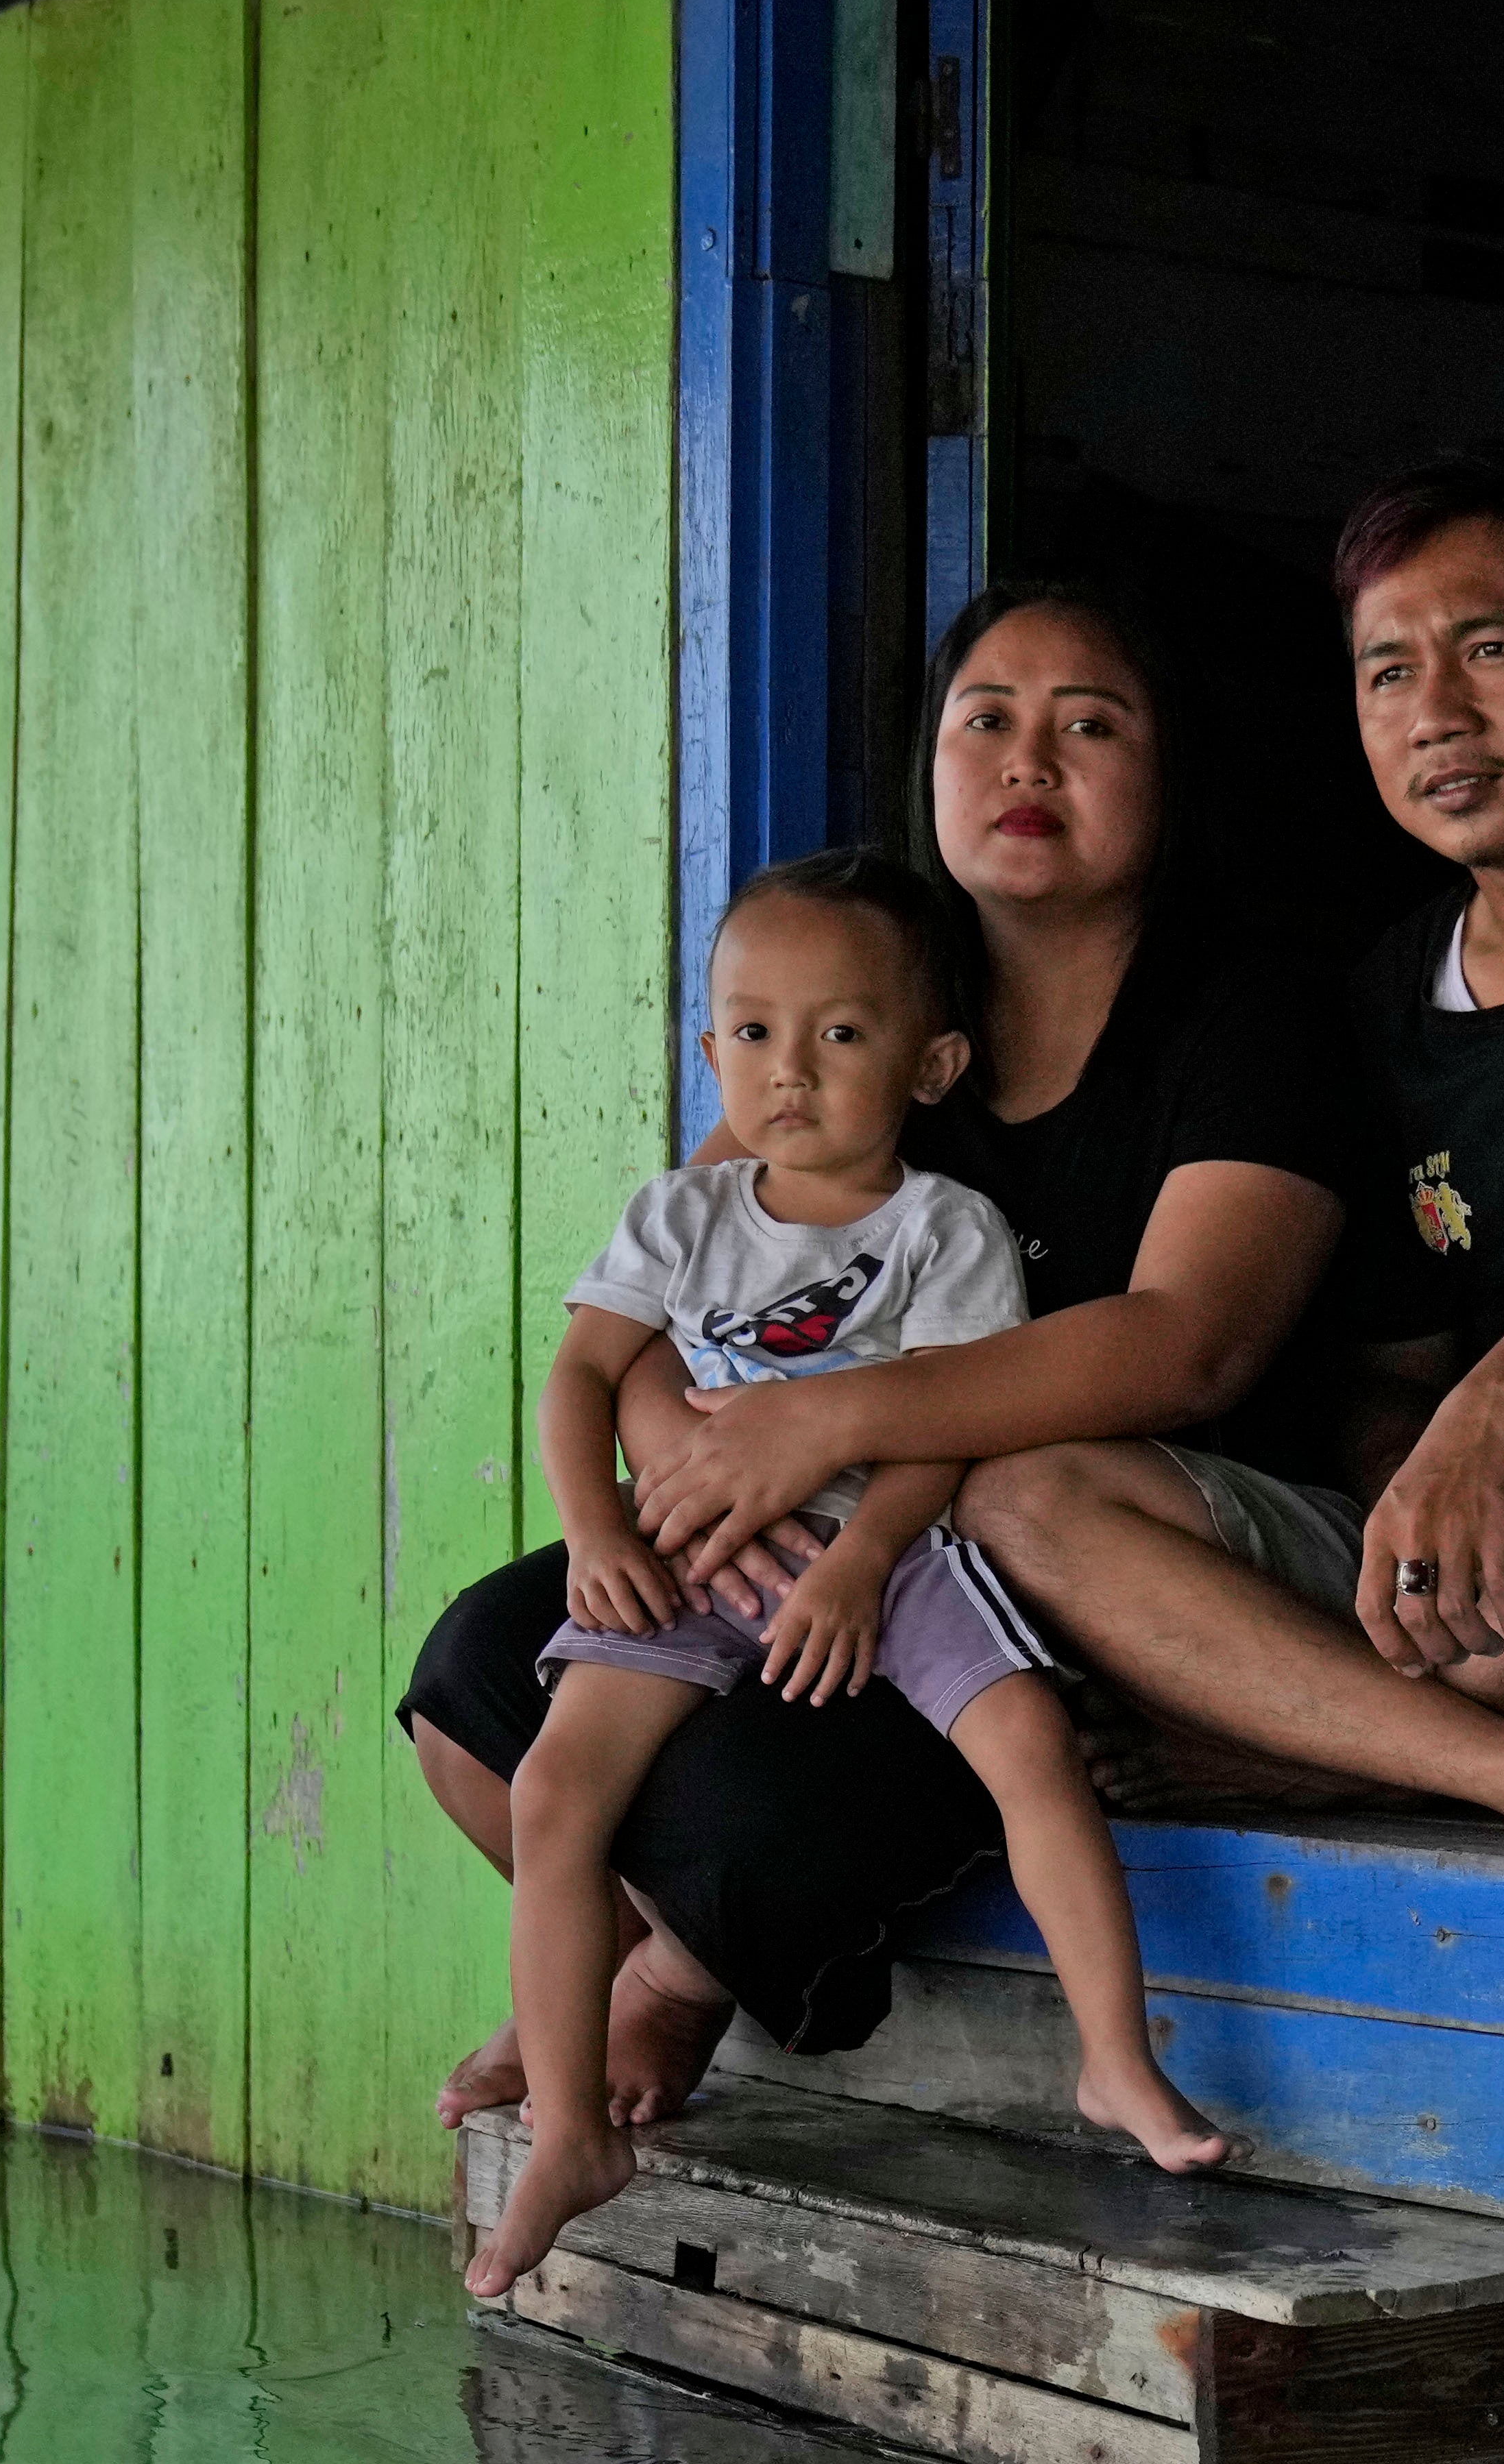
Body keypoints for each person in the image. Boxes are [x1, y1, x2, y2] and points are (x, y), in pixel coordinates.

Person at [399, 584, 1388, 2125]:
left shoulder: (1246, 1014)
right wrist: (680, 1460)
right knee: (474, 1674)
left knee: (751, 1815)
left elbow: (1188, 1346)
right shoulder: (869, 999)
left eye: (1090, 724)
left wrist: (819, 1429)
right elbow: (687, 1261)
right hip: (812, 1515)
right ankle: (625, 1975)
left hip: (1041, 1545)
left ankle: (666, 1984)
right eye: (985, 719)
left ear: (1171, 770)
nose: (1028, 761)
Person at [466, 850, 1231, 2295]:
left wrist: (865, 1559)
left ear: (932, 1063)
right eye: (753, 1034)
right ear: (710, 1052)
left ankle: (1117, 2063)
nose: (791, 1071)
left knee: (1030, 1747)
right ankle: (568, 2123)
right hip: (690, 1554)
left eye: (841, 1034)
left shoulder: (948, 1230)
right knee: (558, 1788)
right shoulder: (679, 1216)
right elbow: (581, 1376)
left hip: (890, 1544)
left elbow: (945, 1422)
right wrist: (598, 1534)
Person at [952, 448, 1504, 1838]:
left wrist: (1493, 1417)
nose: (1437, 711)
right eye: (1388, 672)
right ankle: (1451, 1744)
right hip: (1463, 1570)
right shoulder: (1373, 1001)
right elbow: (1390, 1370)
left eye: (1490, 648)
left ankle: (1326, 1753)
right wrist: (1408, 1480)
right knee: (1025, 1499)